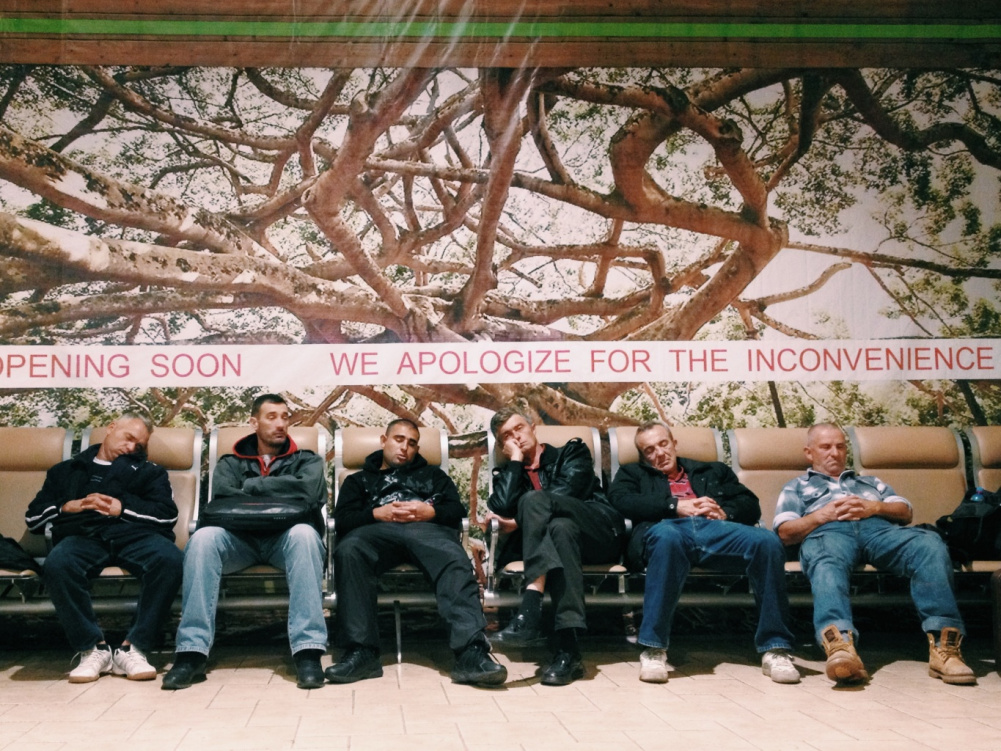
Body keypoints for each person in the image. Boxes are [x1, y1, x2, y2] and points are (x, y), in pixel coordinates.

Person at [774, 423, 976, 685]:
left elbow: (905, 512)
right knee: (826, 559)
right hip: (829, 532)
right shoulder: (796, 486)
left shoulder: (869, 482)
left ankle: (945, 649)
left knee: (929, 544)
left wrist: (874, 507)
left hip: (880, 531)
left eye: (840, 446)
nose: (834, 453)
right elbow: (785, 532)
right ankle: (840, 648)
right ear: (809, 453)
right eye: (825, 447)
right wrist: (822, 515)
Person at [608, 422, 799, 684]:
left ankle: (775, 648)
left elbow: (749, 503)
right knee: (667, 539)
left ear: (674, 443)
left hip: (717, 530)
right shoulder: (632, 474)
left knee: (767, 541)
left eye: (663, 444)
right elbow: (621, 501)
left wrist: (725, 513)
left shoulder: (713, 470)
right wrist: (675, 506)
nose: (659, 453)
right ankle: (653, 648)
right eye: (650, 450)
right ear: (643, 456)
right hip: (667, 529)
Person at [162, 394, 329, 690]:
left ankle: (308, 652)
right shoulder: (230, 462)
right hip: (238, 540)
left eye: (285, 417)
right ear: (254, 422)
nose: (281, 423)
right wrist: (282, 490)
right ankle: (191, 653)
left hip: (285, 540)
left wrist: (250, 486)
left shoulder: (307, 460)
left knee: (305, 534)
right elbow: (223, 494)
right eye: (271, 417)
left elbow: (308, 491)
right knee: (202, 539)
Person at [328, 419, 506, 687]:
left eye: (412, 443)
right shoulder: (358, 480)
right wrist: (376, 513)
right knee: (349, 551)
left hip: (427, 531)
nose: (404, 448)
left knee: (453, 555)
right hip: (374, 533)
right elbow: (342, 520)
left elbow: (456, 511)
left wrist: (430, 512)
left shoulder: (434, 476)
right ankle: (361, 652)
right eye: (398, 439)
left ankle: (471, 652)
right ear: (384, 440)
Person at [25, 413, 183, 683]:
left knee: (170, 559)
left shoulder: (150, 472)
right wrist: (66, 507)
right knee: (58, 564)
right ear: (111, 428)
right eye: (128, 438)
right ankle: (92, 649)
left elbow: (167, 516)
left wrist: (122, 508)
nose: (131, 447)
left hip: (135, 536)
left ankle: (133, 648)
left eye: (139, 445)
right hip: (84, 537)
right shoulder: (66, 470)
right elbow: (32, 518)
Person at [486, 407, 624, 686]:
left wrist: (521, 520)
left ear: (533, 428)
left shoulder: (572, 452)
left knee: (533, 502)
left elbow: (568, 492)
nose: (516, 437)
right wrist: (515, 461)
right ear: (502, 445)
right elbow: (500, 506)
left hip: (598, 532)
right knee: (560, 529)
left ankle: (530, 607)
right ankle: (567, 652)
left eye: (519, 428)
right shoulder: (509, 473)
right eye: (507, 436)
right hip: (562, 543)